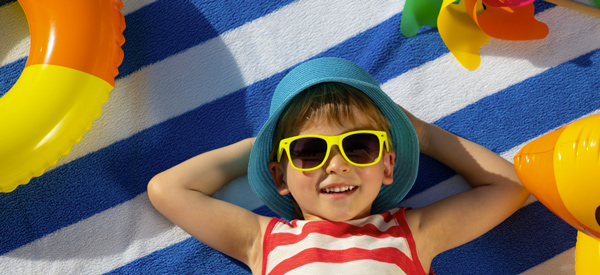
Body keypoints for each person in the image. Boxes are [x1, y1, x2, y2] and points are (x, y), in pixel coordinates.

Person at [148, 57, 529, 274]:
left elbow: (509, 186)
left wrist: (425, 136)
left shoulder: (412, 233)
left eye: (360, 147)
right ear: (278, 174)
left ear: (387, 167)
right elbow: (168, 190)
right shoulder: (262, 241)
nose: (337, 165)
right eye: (310, 151)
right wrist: (263, 144)